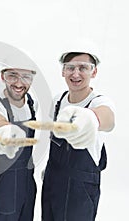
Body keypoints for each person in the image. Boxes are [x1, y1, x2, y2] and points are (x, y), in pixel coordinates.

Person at [41, 40, 115, 221]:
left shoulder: (99, 101)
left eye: (83, 67)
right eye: (70, 67)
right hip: (52, 181)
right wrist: (50, 170)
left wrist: (91, 118)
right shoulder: (58, 100)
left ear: (94, 71)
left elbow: (108, 119)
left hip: (80, 189)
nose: (75, 73)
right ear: (63, 71)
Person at [0, 66, 38, 221]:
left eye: (26, 76)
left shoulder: (31, 103)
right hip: (5, 183)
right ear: (2, 77)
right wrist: (5, 130)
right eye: (12, 76)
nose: (19, 83)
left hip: (28, 179)